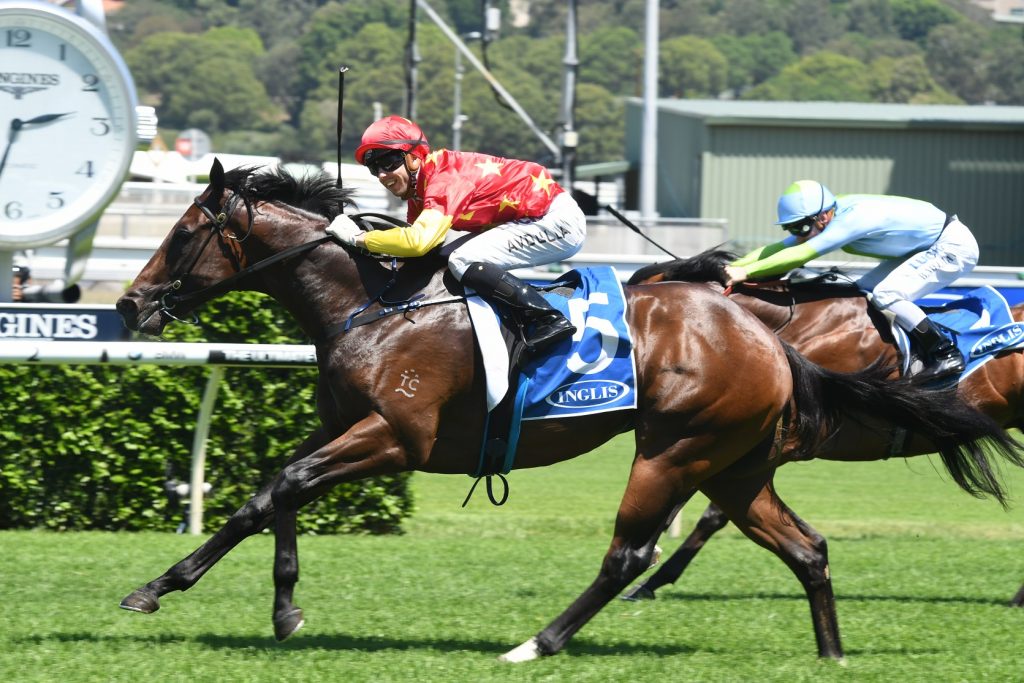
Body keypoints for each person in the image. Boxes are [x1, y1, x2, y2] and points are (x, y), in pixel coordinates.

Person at [328, 115, 586, 350]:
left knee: (462, 259)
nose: (383, 175)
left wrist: (358, 238)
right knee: (445, 257)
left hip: (556, 221)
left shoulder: (445, 178)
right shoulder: (419, 192)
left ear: (414, 156)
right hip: (529, 219)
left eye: (388, 162)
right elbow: (418, 250)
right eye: (374, 168)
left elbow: (417, 242)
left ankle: (547, 318)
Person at [724, 180, 979, 384]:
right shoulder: (824, 217)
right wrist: (735, 267)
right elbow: (780, 247)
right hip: (924, 247)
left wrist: (746, 273)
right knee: (862, 290)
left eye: (800, 228)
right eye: (791, 228)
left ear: (823, 217)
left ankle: (946, 353)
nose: (797, 235)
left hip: (951, 245)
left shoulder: (851, 220)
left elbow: (801, 254)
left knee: (888, 294)